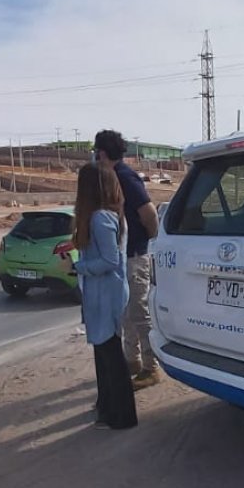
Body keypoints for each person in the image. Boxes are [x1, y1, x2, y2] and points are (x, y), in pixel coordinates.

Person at [65, 162, 138, 429]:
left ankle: (122, 416)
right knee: (104, 354)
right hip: (102, 293)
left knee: (111, 356)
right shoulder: (107, 216)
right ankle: (107, 409)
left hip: (106, 293)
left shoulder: (101, 218)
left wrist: (78, 267)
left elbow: (110, 260)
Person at [93, 130, 160, 389]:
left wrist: (147, 240)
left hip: (134, 256)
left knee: (139, 314)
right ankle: (132, 361)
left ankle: (151, 367)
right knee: (126, 314)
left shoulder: (125, 177)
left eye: (96, 152)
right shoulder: (111, 177)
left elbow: (149, 213)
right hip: (122, 257)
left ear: (102, 153)